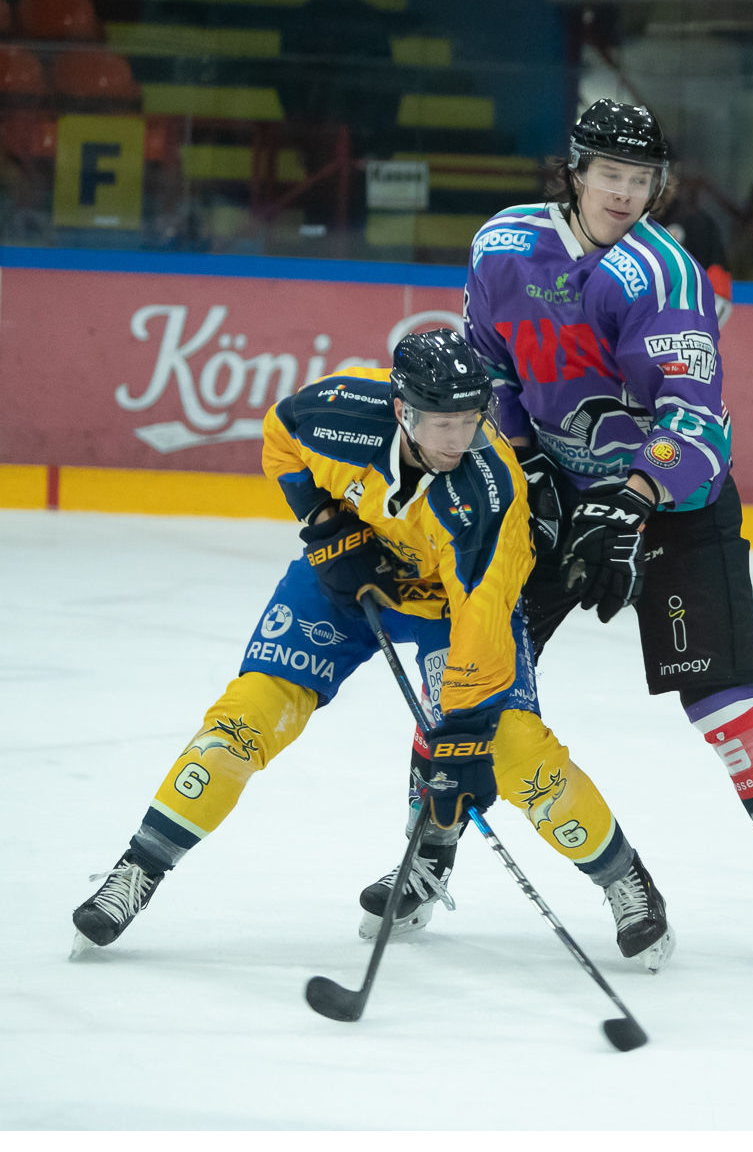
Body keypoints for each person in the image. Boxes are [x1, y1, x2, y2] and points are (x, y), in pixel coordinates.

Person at [361, 99, 753, 971]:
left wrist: (630, 498)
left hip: (674, 504)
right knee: (468, 667)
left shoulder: (663, 274)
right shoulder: (504, 247)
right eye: (611, 176)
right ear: (576, 172)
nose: (626, 194)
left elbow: (699, 425)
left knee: (723, 700)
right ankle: (429, 857)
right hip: (553, 497)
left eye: (641, 181)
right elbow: (492, 378)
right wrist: (522, 472)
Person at [71, 331, 671, 964]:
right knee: (245, 716)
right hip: (347, 583)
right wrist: (325, 526)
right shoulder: (339, 410)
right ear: (401, 409)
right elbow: (280, 432)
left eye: (469, 421)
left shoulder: (491, 494)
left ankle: (623, 878)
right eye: (440, 422)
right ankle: (137, 869)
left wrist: (465, 730)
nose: (454, 440)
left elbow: (483, 614)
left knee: (512, 748)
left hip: (452, 607)